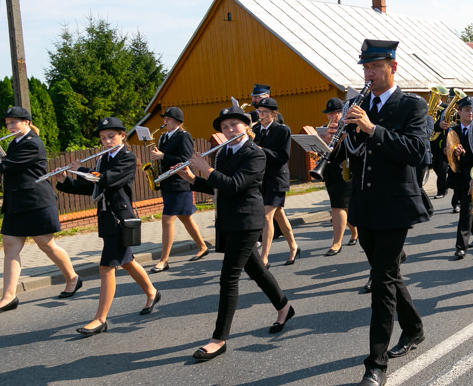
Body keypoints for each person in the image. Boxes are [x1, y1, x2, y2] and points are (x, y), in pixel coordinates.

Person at [329, 39, 430, 386]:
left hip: (395, 205)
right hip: (364, 204)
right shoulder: (360, 104)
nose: (368, 74)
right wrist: (334, 142)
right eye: (365, 69)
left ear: (393, 68)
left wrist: (372, 129)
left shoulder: (412, 106)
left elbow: (417, 152)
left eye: (375, 68)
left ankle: (375, 365)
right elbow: (357, 155)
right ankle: (414, 327)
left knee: (382, 281)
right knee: (385, 272)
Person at [174, 105, 295, 360]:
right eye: (225, 127)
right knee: (257, 271)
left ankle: (219, 339)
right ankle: (284, 307)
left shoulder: (255, 154)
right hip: (228, 221)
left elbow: (235, 185)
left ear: (246, 126)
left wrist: (205, 170)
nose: (229, 130)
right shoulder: (224, 152)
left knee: (228, 278)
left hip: (247, 222)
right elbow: (218, 187)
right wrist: (193, 179)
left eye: (234, 125)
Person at [56, 117, 160, 335]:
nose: (107, 141)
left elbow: (108, 180)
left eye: (111, 136)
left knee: (106, 267)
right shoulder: (103, 159)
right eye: (103, 138)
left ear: (122, 135)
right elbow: (91, 188)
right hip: (106, 217)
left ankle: (100, 319)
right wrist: (65, 180)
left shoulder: (128, 158)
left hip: (120, 217)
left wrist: (83, 169)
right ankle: (151, 292)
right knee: (127, 261)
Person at [0, 107, 81, 315]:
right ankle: (9, 296)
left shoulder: (32, 143)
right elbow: (5, 161)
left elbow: (8, 166)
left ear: (27, 122)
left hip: (35, 201)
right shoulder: (14, 142)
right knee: (10, 248)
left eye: (14, 122)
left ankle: (73, 278)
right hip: (16, 202)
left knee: (47, 246)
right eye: (8, 123)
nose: (10, 126)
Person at [149, 106, 210, 273]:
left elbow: (185, 160)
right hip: (167, 183)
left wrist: (163, 156)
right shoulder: (163, 138)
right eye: (164, 119)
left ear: (177, 121)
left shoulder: (184, 136)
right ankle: (203, 246)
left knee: (167, 220)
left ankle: (164, 260)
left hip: (180, 183)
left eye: (168, 119)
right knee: (186, 218)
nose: (165, 121)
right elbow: (165, 158)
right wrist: (157, 158)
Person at [254, 98, 301, 267]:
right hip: (262, 179)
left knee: (267, 217)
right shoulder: (255, 130)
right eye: (259, 112)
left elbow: (283, 157)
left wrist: (261, 151)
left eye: (264, 112)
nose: (261, 115)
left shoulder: (282, 130)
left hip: (277, 178)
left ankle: (264, 258)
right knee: (279, 215)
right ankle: (294, 246)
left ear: (274, 114)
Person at [315, 97, 358, 256]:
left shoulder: (349, 126)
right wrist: (323, 140)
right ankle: (354, 232)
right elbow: (325, 152)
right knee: (343, 208)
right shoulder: (326, 128)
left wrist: (341, 138)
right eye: (329, 113)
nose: (332, 116)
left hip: (345, 169)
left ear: (342, 112)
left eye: (335, 112)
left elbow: (352, 148)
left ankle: (336, 243)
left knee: (337, 206)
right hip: (330, 171)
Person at [446, 97, 473, 259]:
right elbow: (446, 150)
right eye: (466, 110)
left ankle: (461, 246)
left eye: (472, 109)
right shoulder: (453, 130)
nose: (470, 113)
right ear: (459, 111)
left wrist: (465, 154)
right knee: (467, 206)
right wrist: (456, 153)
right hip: (458, 175)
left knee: (465, 209)